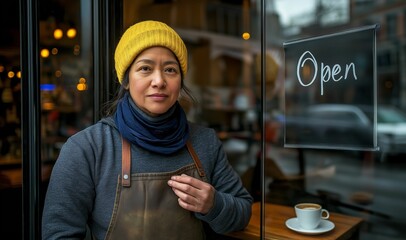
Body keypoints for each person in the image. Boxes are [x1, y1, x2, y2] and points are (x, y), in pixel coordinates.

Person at [42, 20, 253, 239]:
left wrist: (214, 205)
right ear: (125, 80)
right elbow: (59, 234)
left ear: (180, 81)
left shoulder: (204, 141)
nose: (159, 81)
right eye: (145, 68)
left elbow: (243, 212)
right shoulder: (88, 148)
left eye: (170, 70)